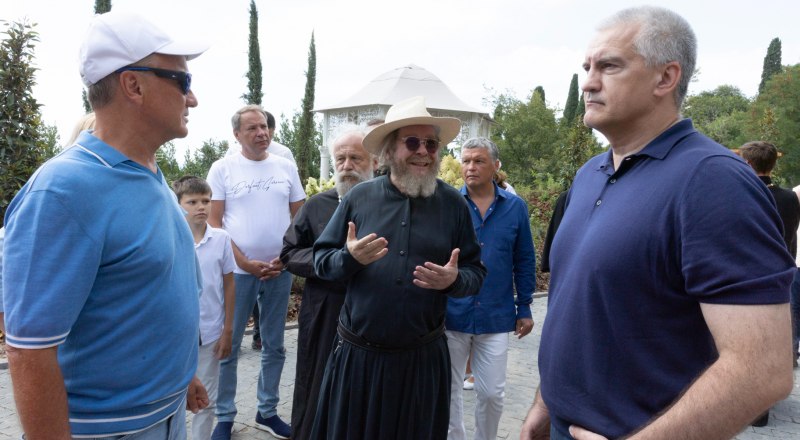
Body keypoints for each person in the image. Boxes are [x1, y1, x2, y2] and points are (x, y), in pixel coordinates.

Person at [521, 6, 795, 440]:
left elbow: (763, 369)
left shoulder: (713, 181)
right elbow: (581, 305)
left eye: (609, 66)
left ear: (665, 78)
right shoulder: (590, 172)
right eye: (587, 67)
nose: (589, 81)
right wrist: (544, 400)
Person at [2, 10, 209, 438]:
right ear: (133, 85)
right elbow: (30, 351)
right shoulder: (64, 191)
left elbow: (147, 291)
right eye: (182, 82)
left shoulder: (148, 173)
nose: (192, 99)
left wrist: (181, 375)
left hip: (166, 416)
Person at [311, 95, 487, 440]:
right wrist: (350, 258)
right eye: (412, 142)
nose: (423, 150)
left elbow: (475, 274)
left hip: (421, 363)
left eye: (431, 143)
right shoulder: (359, 198)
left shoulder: (453, 204)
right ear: (391, 151)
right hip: (359, 360)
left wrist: (453, 280)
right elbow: (321, 262)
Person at [207, 104, 306, 440]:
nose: (262, 133)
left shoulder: (285, 166)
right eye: (252, 128)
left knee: (275, 345)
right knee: (230, 345)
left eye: (264, 127)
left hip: (280, 270)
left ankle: (267, 411)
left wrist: (285, 257)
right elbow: (214, 224)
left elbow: (299, 217)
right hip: (238, 272)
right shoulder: (222, 169)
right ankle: (224, 416)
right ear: (237, 134)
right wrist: (245, 262)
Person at [281, 126, 377, 440]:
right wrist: (332, 262)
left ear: (373, 161)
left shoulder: (389, 206)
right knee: (317, 383)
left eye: (355, 158)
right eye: (341, 158)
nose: (347, 165)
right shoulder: (317, 205)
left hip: (373, 313)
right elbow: (290, 252)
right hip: (325, 310)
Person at [446, 137, 536, 440]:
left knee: (492, 394)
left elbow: (524, 259)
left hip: (495, 316)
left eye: (479, 160)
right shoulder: (448, 205)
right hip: (451, 313)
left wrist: (524, 307)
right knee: (448, 391)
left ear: (495, 165)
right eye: (466, 160)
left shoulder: (515, 208)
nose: (471, 167)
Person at [173, 176, 237, 440]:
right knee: (174, 399)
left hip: (210, 333)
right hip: (176, 337)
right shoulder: (170, 239)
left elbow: (230, 285)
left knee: (205, 399)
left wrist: (228, 331)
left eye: (206, 201)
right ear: (179, 205)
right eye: (192, 201)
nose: (201, 206)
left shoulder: (221, 239)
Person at [739, 141, 800, 374]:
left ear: (747, 163)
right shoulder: (790, 198)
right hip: (782, 273)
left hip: (749, 275)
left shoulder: (741, 194)